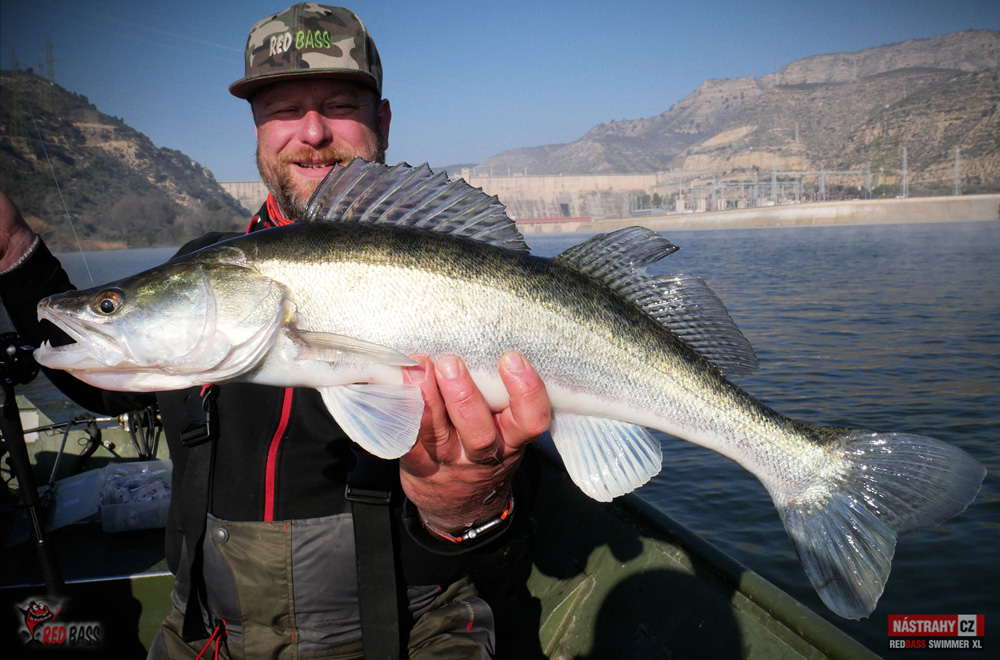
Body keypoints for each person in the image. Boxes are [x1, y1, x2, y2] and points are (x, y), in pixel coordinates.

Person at [0, 4, 550, 658]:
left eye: (339, 104)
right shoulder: (200, 265)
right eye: (283, 110)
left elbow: (511, 523)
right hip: (208, 635)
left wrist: (463, 506)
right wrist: (14, 250)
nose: (312, 131)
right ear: (259, 130)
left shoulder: (462, 271)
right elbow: (107, 381)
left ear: (383, 121)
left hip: (409, 632)